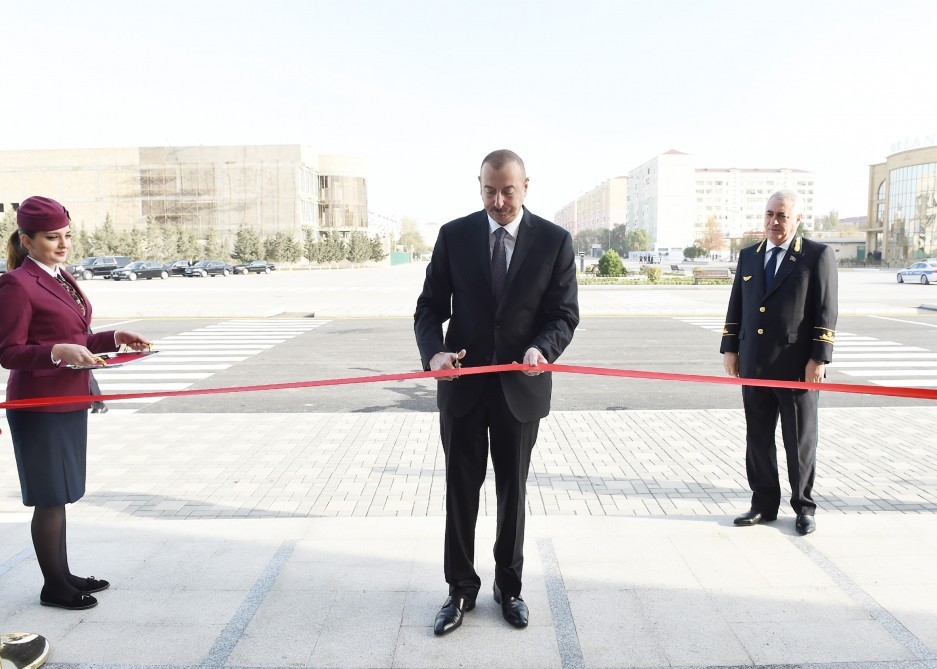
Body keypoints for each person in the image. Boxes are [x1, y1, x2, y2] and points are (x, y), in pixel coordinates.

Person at [414, 150, 579, 635]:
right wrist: (435, 354)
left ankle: (509, 588)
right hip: (462, 387)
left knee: (513, 492)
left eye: (508, 190)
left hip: (520, 388)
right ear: (479, 185)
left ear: (526, 185)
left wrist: (541, 348)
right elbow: (428, 308)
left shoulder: (554, 241)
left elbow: (564, 314)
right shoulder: (454, 235)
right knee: (460, 492)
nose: (499, 201)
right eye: (490, 191)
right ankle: (459, 590)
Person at [0, 196, 150, 610]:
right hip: (39, 404)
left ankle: (62, 574)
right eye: (53, 237)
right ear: (27, 241)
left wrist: (114, 337)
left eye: (67, 235)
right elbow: (8, 352)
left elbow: (75, 337)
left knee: (61, 492)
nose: (64, 244)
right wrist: (56, 352)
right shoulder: (17, 284)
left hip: (69, 399)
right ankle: (53, 587)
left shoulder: (60, 276)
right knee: (49, 496)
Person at [720, 189, 837, 536]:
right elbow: (737, 303)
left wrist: (818, 358)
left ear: (797, 219)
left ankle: (803, 507)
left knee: (798, 440)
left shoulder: (816, 255)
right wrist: (730, 348)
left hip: (796, 366)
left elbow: (826, 310)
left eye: (782, 215)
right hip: (754, 363)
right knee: (757, 438)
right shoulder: (750, 255)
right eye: (770, 214)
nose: (774, 222)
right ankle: (763, 503)